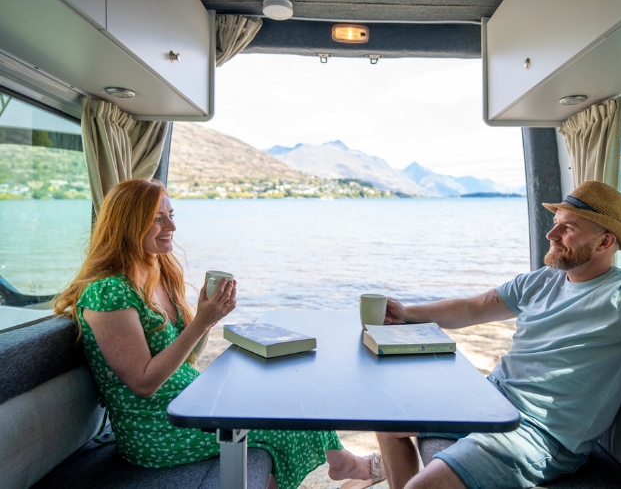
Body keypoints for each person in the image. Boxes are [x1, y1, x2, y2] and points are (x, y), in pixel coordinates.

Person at [375, 180, 621, 489]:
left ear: (605, 241)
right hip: (491, 399)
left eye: (568, 227)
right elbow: (473, 308)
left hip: (540, 434)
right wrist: (407, 313)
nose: (551, 234)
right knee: (386, 418)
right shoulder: (543, 280)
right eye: (556, 222)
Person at [54, 178, 382, 489]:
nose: (171, 227)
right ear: (127, 225)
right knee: (283, 423)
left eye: (171, 215)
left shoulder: (158, 274)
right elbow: (143, 382)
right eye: (157, 219)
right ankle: (346, 465)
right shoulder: (109, 293)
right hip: (158, 428)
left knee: (289, 396)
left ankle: (342, 463)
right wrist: (200, 322)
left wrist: (210, 317)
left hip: (195, 401)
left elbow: (189, 358)